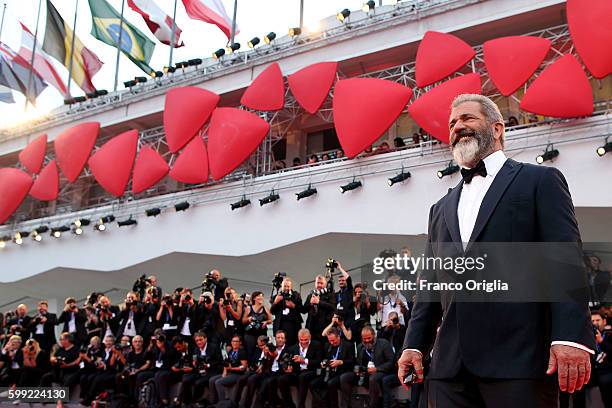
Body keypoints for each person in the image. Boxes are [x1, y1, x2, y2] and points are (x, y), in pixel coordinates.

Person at [398, 94, 595, 407]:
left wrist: (570, 336)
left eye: (467, 119)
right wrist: (414, 344)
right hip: (449, 369)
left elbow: (564, 260)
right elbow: (429, 285)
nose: (457, 127)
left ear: (498, 128)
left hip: (519, 360)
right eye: (452, 124)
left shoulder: (539, 181)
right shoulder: (440, 208)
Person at [340, 326, 395, 408]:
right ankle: (345, 406)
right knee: (344, 377)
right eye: (364, 339)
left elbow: (391, 362)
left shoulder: (384, 343)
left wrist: (377, 369)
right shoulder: (360, 347)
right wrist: (357, 369)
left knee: (373, 379)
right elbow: (357, 363)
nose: (366, 340)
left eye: (369, 338)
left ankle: (372, 405)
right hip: (364, 373)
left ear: (374, 335)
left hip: (380, 372)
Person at [277, 328, 323, 408]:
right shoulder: (293, 348)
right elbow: (285, 362)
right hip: (297, 373)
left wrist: (304, 360)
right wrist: (288, 368)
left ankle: (301, 405)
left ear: (310, 337)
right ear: (298, 338)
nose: (304, 342)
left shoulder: (317, 345)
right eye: (301, 340)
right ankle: (289, 405)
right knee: (281, 379)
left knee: (303, 377)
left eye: (306, 340)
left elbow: (319, 362)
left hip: (311, 371)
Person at [309, 327, 355, 408]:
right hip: (329, 372)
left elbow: (352, 361)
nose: (332, 342)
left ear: (338, 336)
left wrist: (341, 362)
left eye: (333, 340)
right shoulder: (327, 345)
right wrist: (323, 363)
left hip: (342, 371)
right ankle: (323, 404)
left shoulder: (348, 345)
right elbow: (324, 359)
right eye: (330, 340)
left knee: (331, 383)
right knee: (313, 384)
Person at [179, 331, 223, 406]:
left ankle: (193, 401)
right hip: (200, 371)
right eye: (197, 340)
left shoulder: (214, 347)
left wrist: (208, 365)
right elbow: (195, 362)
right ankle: (186, 401)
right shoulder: (196, 350)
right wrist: (194, 364)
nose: (199, 342)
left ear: (205, 339)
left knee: (198, 383)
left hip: (212, 371)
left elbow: (219, 362)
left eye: (200, 339)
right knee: (186, 379)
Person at [209, 335, 248, 404]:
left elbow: (243, 367)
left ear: (240, 343)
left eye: (236, 341)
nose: (234, 343)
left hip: (237, 374)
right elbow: (226, 363)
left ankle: (223, 403)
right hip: (230, 372)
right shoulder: (230, 351)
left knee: (218, 382)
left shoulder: (242, 352)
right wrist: (225, 371)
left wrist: (231, 368)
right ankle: (213, 402)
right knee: (212, 380)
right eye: (233, 341)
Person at [258, 330, 292, 408]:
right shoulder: (270, 348)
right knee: (261, 384)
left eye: (282, 338)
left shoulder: (289, 349)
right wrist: (266, 355)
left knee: (268, 384)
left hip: (281, 373)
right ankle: (276, 403)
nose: (280, 339)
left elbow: (288, 365)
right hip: (269, 373)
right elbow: (265, 363)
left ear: (285, 339)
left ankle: (273, 404)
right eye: (278, 338)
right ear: (275, 339)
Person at [115, 335, 151, 403]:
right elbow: (127, 364)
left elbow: (147, 364)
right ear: (133, 343)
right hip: (132, 371)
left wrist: (138, 370)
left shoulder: (146, 352)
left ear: (142, 343)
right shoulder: (130, 353)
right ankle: (121, 397)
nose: (137, 343)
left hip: (142, 371)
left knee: (134, 376)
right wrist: (128, 370)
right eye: (135, 342)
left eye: (139, 342)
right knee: (119, 376)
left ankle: (134, 399)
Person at [302, 275, 336, 343]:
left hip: (324, 328)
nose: (319, 285)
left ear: (325, 284)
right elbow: (304, 310)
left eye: (321, 283)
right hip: (311, 328)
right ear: (315, 284)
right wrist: (310, 303)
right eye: (318, 283)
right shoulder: (310, 295)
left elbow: (333, 307)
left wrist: (319, 302)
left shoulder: (330, 294)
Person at [270, 277, 303, 347]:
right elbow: (272, 311)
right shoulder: (276, 296)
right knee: (280, 344)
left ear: (291, 287)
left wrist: (293, 306)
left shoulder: (296, 295)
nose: (286, 288)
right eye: (284, 286)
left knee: (293, 344)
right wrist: (276, 302)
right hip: (280, 324)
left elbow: (302, 310)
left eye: (288, 286)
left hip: (293, 324)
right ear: (282, 286)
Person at [242, 291, 273, 365]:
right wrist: (249, 319)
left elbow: (270, 320)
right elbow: (243, 321)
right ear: (254, 298)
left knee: (261, 351)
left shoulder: (265, 308)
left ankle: (261, 367)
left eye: (262, 296)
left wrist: (266, 322)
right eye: (259, 296)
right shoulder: (249, 308)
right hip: (250, 334)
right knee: (250, 351)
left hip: (262, 333)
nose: (261, 297)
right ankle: (250, 367)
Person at [591, 311, 612, 407]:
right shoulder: (588, 339)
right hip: (596, 376)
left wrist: (601, 341)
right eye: (592, 321)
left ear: (604, 321)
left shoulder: (609, 335)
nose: (595, 323)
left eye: (598, 320)